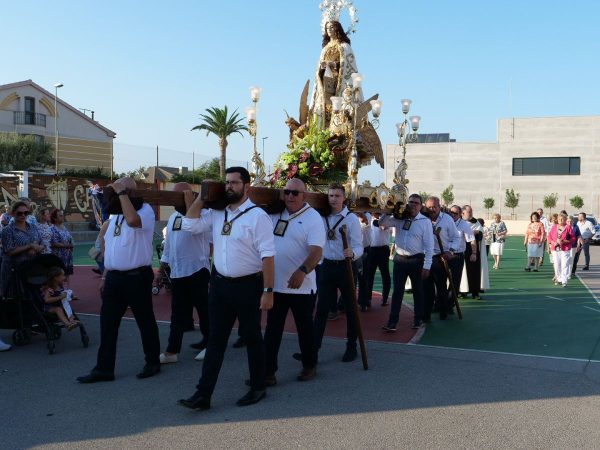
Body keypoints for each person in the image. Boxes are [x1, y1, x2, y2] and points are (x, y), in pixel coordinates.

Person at [178, 167, 275, 410]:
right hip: (220, 285)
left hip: (248, 286)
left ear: (246, 187)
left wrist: (268, 290)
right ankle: (203, 394)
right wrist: (202, 195)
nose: (229, 186)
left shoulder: (257, 216)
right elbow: (189, 224)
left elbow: (268, 257)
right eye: (226, 183)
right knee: (216, 340)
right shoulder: (216, 213)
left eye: (234, 182)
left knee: (252, 337)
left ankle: (257, 387)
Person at [77, 177, 160, 383]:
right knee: (108, 324)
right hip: (114, 277)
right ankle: (104, 369)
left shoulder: (145, 210)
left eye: (119, 191)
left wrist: (123, 193)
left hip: (136, 277)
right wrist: (105, 275)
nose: (113, 195)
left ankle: (152, 362)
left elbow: (134, 222)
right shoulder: (114, 217)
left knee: (145, 321)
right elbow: (109, 247)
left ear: (130, 193)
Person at [264, 178, 324, 384]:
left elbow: (316, 251)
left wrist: (302, 271)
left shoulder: (313, 218)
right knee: (272, 331)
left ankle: (309, 365)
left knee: (305, 329)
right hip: (276, 285)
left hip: (301, 287)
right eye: (287, 192)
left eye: (295, 193)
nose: (290, 196)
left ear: (304, 196)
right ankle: (268, 372)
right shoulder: (275, 213)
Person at [159, 182, 211, 365]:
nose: (173, 200)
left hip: (197, 270)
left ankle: (210, 345)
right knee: (177, 314)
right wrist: (162, 268)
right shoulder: (173, 217)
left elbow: (193, 226)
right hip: (178, 272)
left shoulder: (205, 214)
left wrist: (191, 203)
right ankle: (172, 351)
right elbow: (169, 246)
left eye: (178, 196)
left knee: (204, 312)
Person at [312, 183, 363, 362]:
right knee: (322, 310)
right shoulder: (321, 216)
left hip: (346, 267)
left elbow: (358, 245)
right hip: (326, 267)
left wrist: (353, 253)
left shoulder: (351, 219)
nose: (333, 199)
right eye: (331, 195)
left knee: (350, 309)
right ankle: (313, 349)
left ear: (344, 198)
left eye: (337, 196)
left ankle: (351, 346)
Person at [380, 194, 433, 330]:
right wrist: (389, 210)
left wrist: (427, 266)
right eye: (410, 202)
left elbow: (429, 246)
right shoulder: (399, 218)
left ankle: (418, 319)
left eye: (416, 203)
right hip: (400, 260)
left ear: (421, 206)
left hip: (417, 260)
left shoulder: (425, 222)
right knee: (397, 291)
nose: (413, 205)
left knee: (418, 291)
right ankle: (392, 322)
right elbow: (382, 223)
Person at [310, 21, 360, 127]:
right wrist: (322, 67)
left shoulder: (344, 46)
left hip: (339, 83)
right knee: (325, 106)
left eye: (332, 27)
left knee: (340, 108)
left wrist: (332, 64)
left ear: (337, 29)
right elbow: (318, 68)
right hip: (326, 81)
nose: (329, 30)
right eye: (327, 28)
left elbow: (348, 65)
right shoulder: (325, 49)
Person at [422, 197, 461, 321]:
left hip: (440, 258)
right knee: (426, 288)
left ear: (439, 206)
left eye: (434, 207)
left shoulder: (447, 219)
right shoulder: (422, 219)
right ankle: (426, 315)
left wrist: (451, 251)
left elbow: (456, 237)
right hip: (425, 258)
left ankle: (443, 311)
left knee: (441, 286)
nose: (431, 209)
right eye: (429, 207)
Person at [0, 201, 43, 298]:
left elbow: (40, 242)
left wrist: (36, 248)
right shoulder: (8, 230)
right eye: (20, 213)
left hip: (32, 266)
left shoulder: (33, 227)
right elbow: (9, 251)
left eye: (26, 213)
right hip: (14, 269)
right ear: (13, 213)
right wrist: (29, 246)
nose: (23, 215)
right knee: (11, 297)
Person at [448, 205, 475, 299]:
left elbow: (472, 240)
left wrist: (474, 253)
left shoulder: (464, 225)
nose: (453, 215)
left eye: (456, 213)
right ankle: (440, 303)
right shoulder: (445, 222)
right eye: (451, 212)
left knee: (454, 281)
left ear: (460, 214)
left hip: (457, 256)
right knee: (441, 280)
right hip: (444, 255)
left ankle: (450, 304)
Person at [42, 266, 79, 331]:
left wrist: (71, 296)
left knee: (66, 305)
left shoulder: (60, 287)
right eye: (63, 275)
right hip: (49, 307)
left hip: (58, 305)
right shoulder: (49, 289)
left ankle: (72, 320)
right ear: (56, 278)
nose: (64, 277)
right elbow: (47, 300)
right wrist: (60, 297)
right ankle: (68, 324)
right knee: (58, 309)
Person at [368, 213, 392, 306]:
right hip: (371, 250)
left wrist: (384, 214)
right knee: (369, 276)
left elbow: (382, 226)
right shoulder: (368, 217)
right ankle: (368, 299)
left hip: (383, 250)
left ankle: (385, 299)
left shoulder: (386, 218)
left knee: (385, 275)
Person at [547, 213, 576, 287]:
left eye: (563, 219)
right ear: (557, 219)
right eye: (559, 219)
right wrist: (552, 242)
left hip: (565, 249)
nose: (561, 220)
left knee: (565, 264)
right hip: (555, 249)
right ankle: (559, 278)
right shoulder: (554, 227)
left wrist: (565, 241)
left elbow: (573, 238)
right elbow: (549, 237)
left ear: (566, 220)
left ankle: (564, 281)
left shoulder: (568, 227)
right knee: (557, 264)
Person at [50, 210, 74, 278]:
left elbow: (69, 238)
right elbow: (54, 243)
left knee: (67, 273)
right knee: (59, 274)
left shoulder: (64, 227)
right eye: (60, 216)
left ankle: (67, 288)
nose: (63, 217)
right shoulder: (52, 229)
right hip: (59, 257)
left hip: (67, 256)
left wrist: (71, 244)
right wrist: (67, 245)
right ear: (55, 218)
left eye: (62, 215)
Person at [356, 212, 372, 311]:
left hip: (364, 250)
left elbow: (364, 221)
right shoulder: (350, 215)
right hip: (352, 249)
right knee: (349, 278)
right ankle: (344, 302)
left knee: (363, 278)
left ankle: (363, 301)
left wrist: (358, 211)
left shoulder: (368, 215)